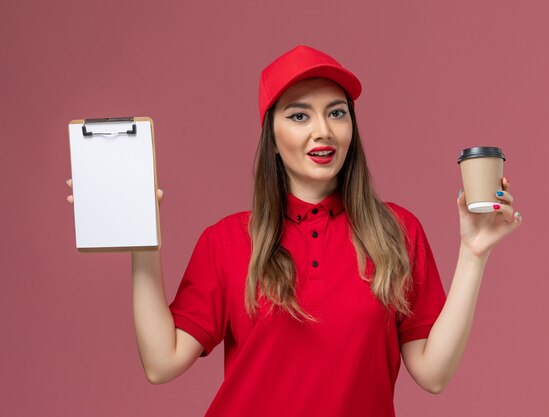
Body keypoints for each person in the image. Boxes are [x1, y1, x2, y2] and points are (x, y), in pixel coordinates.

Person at [66, 45, 522, 417]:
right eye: (299, 115)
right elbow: (161, 363)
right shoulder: (226, 241)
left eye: (337, 113)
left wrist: (474, 252)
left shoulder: (397, 232)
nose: (322, 131)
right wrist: (141, 238)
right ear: (272, 137)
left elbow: (434, 374)